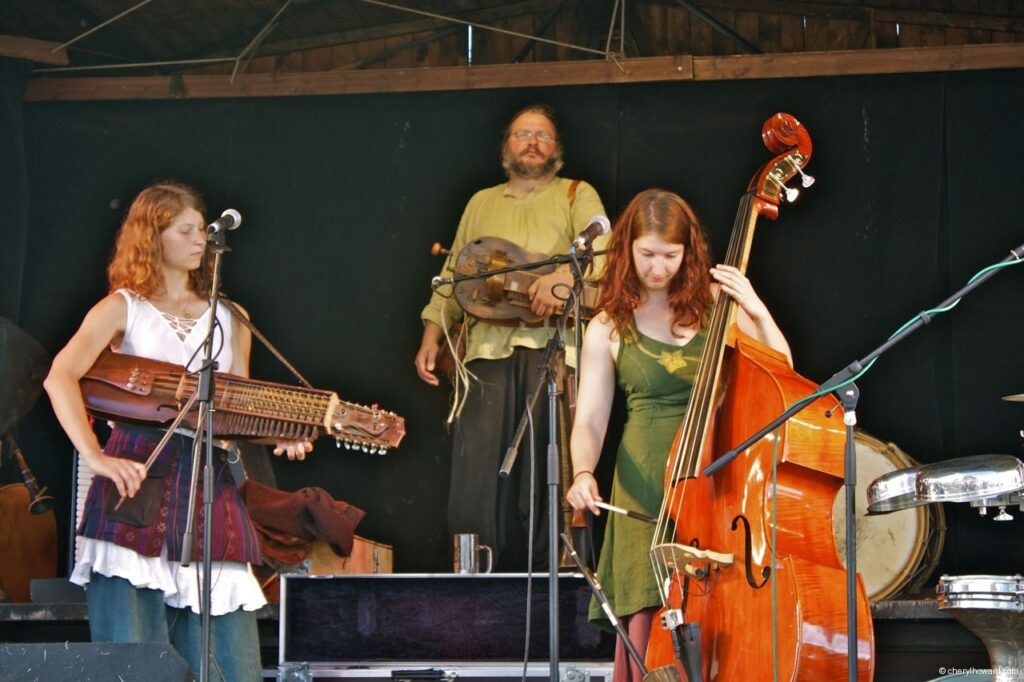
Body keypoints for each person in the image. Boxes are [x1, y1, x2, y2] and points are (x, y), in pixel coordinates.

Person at [43, 181, 313, 681]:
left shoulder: (232, 317)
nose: (200, 241)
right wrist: (96, 456)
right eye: (185, 231)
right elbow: (60, 376)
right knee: (134, 664)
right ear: (152, 237)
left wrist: (278, 432)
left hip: (211, 489)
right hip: (136, 484)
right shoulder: (122, 307)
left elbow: (238, 407)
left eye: (202, 232)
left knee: (231, 664)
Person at [565, 189, 792, 682]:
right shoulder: (608, 325)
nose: (658, 267)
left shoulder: (717, 305)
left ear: (689, 253)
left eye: (670, 255)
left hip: (716, 482)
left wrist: (753, 307)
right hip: (643, 482)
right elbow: (590, 419)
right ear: (626, 249)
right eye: (646, 254)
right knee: (650, 619)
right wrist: (582, 472)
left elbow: (783, 371)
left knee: (724, 609)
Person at [415, 104, 608, 571]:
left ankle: (559, 581)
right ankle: (472, 580)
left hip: (554, 350)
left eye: (542, 134)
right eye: (522, 133)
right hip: (484, 350)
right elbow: (454, 274)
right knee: (476, 477)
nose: (533, 141)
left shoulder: (576, 194)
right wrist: (432, 333)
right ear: (507, 147)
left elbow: (604, 252)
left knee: (550, 473)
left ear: (556, 148)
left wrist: (560, 277)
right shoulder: (481, 202)